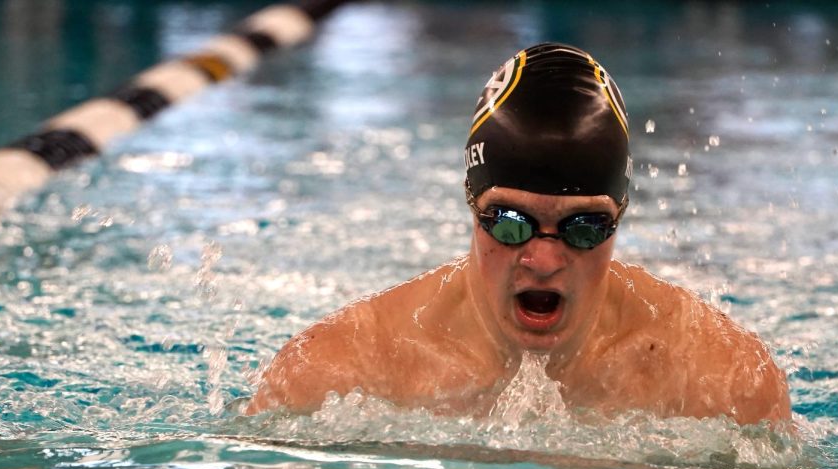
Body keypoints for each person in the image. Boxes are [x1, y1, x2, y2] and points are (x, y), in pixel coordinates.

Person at [247, 43, 791, 427]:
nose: (543, 258)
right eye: (510, 222)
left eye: (583, 228)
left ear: (620, 217)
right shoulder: (336, 373)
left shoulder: (721, 382)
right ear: (470, 203)